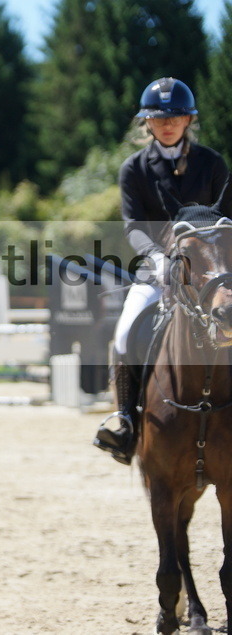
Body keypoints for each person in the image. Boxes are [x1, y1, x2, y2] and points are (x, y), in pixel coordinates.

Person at [94, 77, 231, 465]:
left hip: (211, 274)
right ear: (146, 124)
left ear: (188, 120)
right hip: (158, 271)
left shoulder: (213, 164)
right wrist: (156, 257)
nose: (167, 124)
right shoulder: (133, 169)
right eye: (158, 118)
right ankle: (125, 422)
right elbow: (133, 226)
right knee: (124, 335)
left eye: (175, 117)